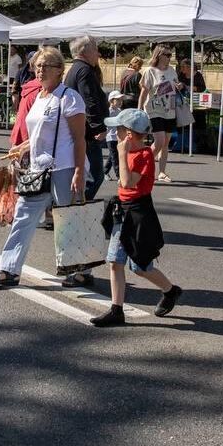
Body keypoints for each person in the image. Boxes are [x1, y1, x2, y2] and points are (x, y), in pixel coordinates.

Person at [0, 47, 87, 288]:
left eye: (46, 66)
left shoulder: (69, 97)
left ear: (60, 70)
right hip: (38, 168)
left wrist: (80, 171)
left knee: (67, 218)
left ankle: (79, 270)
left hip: (64, 167)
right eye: (38, 65)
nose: (40, 70)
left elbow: (79, 138)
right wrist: (23, 147)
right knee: (23, 216)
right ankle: (8, 269)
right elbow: (41, 133)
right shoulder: (39, 97)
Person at [91, 108, 183, 326]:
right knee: (114, 261)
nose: (115, 134)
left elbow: (126, 182)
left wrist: (121, 154)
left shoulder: (144, 156)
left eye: (119, 130)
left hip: (138, 213)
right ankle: (116, 309)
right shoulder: (132, 152)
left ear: (129, 134)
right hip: (122, 211)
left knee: (140, 267)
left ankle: (171, 291)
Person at [64, 35, 108, 209]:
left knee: (86, 173)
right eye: (95, 48)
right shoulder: (84, 71)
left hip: (81, 130)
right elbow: (89, 100)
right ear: (84, 51)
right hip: (87, 133)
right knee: (95, 174)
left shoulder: (76, 69)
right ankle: (73, 209)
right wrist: (99, 127)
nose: (98, 53)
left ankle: (70, 208)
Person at [138, 45, 181, 183]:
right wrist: (139, 110)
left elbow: (175, 85)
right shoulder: (150, 71)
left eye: (170, 55)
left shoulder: (172, 70)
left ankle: (162, 172)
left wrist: (178, 86)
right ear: (159, 55)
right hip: (154, 109)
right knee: (159, 141)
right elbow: (144, 92)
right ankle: (141, 165)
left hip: (170, 109)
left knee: (165, 143)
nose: (170, 58)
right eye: (167, 55)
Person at [104, 90, 122, 180]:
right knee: (115, 158)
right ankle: (119, 176)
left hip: (118, 138)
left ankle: (105, 171)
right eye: (118, 100)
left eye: (121, 100)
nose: (120, 102)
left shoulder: (120, 111)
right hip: (110, 137)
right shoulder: (108, 112)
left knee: (112, 156)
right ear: (111, 101)